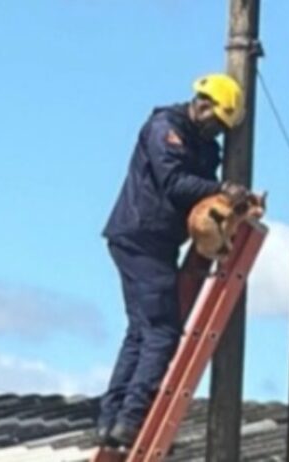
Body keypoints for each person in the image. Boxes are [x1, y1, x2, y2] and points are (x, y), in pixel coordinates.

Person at [96, 74, 248, 448]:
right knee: (162, 332)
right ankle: (132, 419)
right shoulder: (165, 128)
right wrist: (221, 190)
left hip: (157, 242)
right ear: (202, 104)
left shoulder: (206, 149)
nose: (215, 132)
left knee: (141, 332)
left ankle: (113, 422)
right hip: (140, 236)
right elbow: (176, 183)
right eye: (215, 124)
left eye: (221, 130)